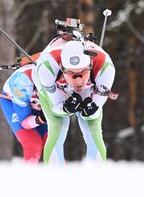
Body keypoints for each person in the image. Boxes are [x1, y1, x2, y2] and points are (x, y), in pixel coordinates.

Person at [33, 34, 116, 165]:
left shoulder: (105, 67)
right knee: (58, 125)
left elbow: (95, 111)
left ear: (90, 65)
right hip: (55, 86)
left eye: (83, 72)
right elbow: (56, 108)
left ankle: (97, 180)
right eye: (71, 73)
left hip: (89, 88)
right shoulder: (47, 67)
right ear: (62, 68)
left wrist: (91, 110)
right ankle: (54, 180)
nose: (78, 79)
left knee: (92, 125)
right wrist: (65, 108)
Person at [0, 63, 48, 163]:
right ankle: (26, 176)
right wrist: (40, 119)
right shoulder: (21, 89)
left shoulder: (54, 75)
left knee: (52, 143)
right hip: (13, 103)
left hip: (37, 101)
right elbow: (25, 123)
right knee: (33, 145)